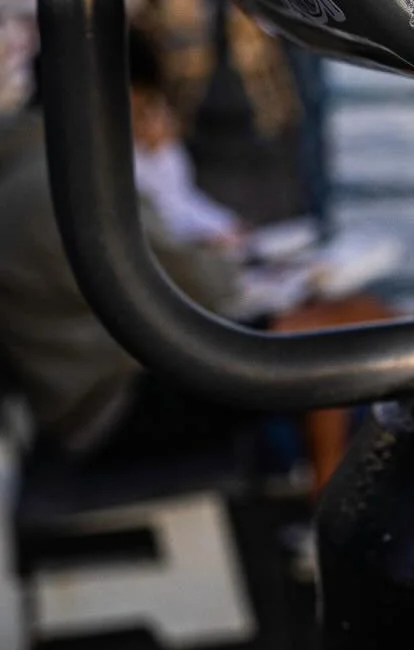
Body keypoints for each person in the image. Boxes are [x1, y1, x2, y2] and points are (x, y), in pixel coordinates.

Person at [0, 35, 244, 461]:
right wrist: (228, 261)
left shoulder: (33, 163)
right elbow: (199, 285)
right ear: (122, 96)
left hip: (78, 393)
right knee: (311, 332)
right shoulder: (73, 178)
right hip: (107, 402)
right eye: (146, 103)